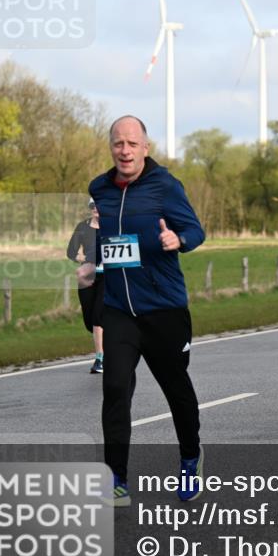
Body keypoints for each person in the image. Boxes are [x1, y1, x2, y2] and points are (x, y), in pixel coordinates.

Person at [89, 115, 206, 507]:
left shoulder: (165, 185)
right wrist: (91, 258)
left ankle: (190, 459)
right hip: (119, 309)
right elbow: (103, 237)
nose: (125, 150)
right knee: (115, 387)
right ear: (111, 147)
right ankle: (116, 477)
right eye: (118, 144)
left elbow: (196, 231)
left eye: (132, 144)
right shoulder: (99, 188)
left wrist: (179, 238)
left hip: (164, 309)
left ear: (146, 147)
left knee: (176, 390)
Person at [67, 198, 105, 374]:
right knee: (90, 320)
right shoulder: (82, 227)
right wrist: (86, 261)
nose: (96, 209)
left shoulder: (112, 226)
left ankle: (100, 358)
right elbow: (71, 252)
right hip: (87, 278)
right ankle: (106, 346)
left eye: (99, 206)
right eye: (92, 206)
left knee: (98, 317)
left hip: (108, 277)